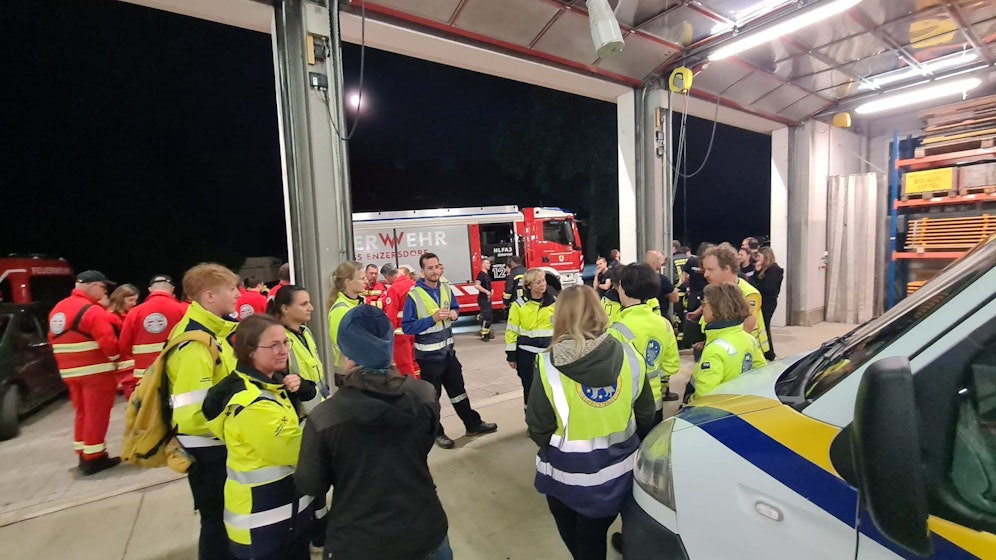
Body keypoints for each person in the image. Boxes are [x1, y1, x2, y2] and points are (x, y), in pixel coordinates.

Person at [296, 305, 451, 560]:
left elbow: (311, 483)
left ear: (347, 354)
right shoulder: (424, 394)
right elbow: (424, 443)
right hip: (425, 531)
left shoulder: (326, 417)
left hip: (359, 541)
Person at [527, 285, 655, 560]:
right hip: (621, 473)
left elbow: (538, 426)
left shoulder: (548, 365)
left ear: (560, 316)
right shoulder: (630, 355)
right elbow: (646, 413)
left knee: (579, 540)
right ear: (599, 311)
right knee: (594, 535)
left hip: (568, 474)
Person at [202, 314, 316, 560]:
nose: (283, 350)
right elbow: (298, 450)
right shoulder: (251, 403)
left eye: (285, 343)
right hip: (264, 524)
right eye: (273, 345)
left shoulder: (270, 384)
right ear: (249, 351)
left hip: (281, 516)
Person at [166, 263, 241, 560]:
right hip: (208, 449)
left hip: (214, 444)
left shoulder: (212, 331)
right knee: (217, 523)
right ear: (209, 296)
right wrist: (236, 427)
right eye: (232, 289)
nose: (238, 294)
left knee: (224, 519)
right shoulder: (196, 342)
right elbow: (192, 413)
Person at [402, 253, 497, 449]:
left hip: (448, 354)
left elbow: (455, 306)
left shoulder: (445, 287)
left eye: (437, 267)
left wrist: (455, 313)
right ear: (423, 271)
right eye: (430, 268)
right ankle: (437, 433)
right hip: (429, 358)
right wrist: (432, 319)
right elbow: (407, 327)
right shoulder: (414, 295)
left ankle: (473, 424)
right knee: (432, 399)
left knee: (459, 392)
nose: (435, 271)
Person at [48, 270, 121, 475]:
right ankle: (94, 459)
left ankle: (83, 452)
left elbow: (53, 338)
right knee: (96, 415)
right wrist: (116, 359)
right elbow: (108, 342)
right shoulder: (93, 310)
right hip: (95, 372)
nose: (104, 291)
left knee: (82, 413)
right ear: (92, 286)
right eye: (103, 287)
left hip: (69, 372)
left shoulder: (58, 309)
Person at [608, 264, 681, 418]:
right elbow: (671, 366)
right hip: (656, 402)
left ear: (622, 288)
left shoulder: (617, 329)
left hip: (628, 404)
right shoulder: (664, 324)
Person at [690, 246, 770, 357]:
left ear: (727, 269)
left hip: (743, 352)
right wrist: (697, 313)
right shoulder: (714, 288)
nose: (705, 274)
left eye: (711, 270)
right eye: (705, 270)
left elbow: (747, 327)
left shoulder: (748, 293)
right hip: (721, 348)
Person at [690, 283, 767, 399]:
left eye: (704, 304)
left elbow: (705, 396)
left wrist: (690, 401)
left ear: (718, 309)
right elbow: (762, 371)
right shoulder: (748, 338)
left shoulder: (714, 349)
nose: (702, 308)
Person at [119, 274, 187, 397]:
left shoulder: (134, 312)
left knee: (148, 411)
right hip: (175, 371)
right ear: (172, 289)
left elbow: (124, 346)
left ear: (150, 290)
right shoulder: (183, 310)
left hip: (144, 375)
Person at [505, 269, 556, 408]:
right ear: (528, 286)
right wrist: (511, 355)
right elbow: (511, 331)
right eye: (538, 282)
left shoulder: (554, 303)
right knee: (530, 388)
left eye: (543, 281)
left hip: (549, 353)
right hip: (526, 355)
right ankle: (532, 419)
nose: (542, 284)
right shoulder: (518, 306)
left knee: (552, 387)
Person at [270, 284, 326, 410]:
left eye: (309, 303)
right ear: (285, 308)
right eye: (304, 304)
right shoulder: (279, 339)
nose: (311, 308)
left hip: (318, 402)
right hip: (299, 410)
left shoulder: (306, 332)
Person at [326, 261, 364, 387]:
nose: (366, 282)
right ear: (348, 282)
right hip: (349, 372)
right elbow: (342, 345)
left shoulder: (358, 304)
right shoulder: (340, 309)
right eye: (362, 278)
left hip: (360, 367)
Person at [381, 263, 420, 378]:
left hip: (401, 334)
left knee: (404, 364)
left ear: (387, 276)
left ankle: (411, 390)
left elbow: (391, 315)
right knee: (415, 363)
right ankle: (421, 385)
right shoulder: (414, 285)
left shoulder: (394, 289)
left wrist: (387, 334)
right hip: (416, 330)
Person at [751, 247, 784, 361]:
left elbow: (767, 287)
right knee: (763, 326)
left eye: (759, 256)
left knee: (764, 326)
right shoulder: (764, 269)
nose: (757, 259)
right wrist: (757, 271)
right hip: (762, 301)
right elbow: (754, 283)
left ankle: (769, 353)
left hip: (768, 302)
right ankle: (767, 352)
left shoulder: (774, 270)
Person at [107, 283, 140, 396]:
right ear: (121, 299)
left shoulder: (128, 315)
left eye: (136, 300)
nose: (134, 303)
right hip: (122, 367)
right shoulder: (111, 318)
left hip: (129, 366)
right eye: (131, 300)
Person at [681, 242, 713, 349]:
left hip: (694, 297)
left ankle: (690, 346)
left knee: (692, 322)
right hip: (708, 296)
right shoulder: (711, 265)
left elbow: (683, 279)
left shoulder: (691, 261)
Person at [643, 250, 678, 318]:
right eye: (660, 260)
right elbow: (675, 298)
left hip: (643, 316)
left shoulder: (637, 278)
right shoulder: (662, 280)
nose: (662, 263)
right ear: (654, 263)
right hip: (660, 316)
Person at [474, 257, 494, 341]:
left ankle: (487, 333)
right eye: (488, 263)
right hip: (483, 299)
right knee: (487, 317)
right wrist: (486, 292)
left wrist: (490, 291)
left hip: (486, 298)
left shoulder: (486, 274)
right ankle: (484, 335)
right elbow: (477, 285)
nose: (489, 265)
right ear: (483, 265)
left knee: (488, 316)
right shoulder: (481, 274)